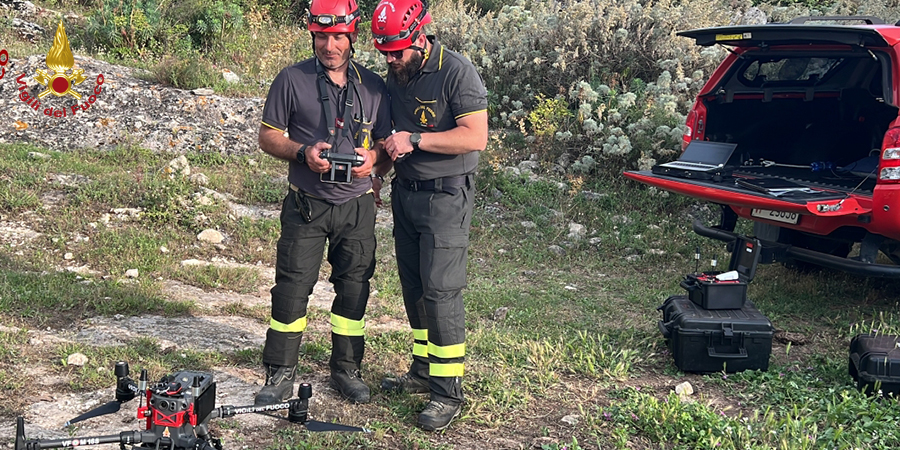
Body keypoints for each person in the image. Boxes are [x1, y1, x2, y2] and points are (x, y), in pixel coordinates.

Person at [255, 0, 391, 406]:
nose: (329, 46)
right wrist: (302, 153)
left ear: (352, 37)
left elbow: (385, 145)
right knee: (292, 289)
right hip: (306, 204)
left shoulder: (373, 86)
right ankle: (280, 371)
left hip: (357, 205)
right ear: (312, 35)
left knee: (354, 288)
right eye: (321, 36)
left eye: (337, 37)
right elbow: (268, 137)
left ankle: (347, 369)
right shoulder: (291, 79)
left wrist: (375, 162)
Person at [371, 0, 488, 432]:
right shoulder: (396, 70)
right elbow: (391, 142)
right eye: (384, 52)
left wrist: (416, 139)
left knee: (441, 292)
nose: (390, 60)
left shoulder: (457, 71)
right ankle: (422, 369)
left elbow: (475, 136)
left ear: (420, 38)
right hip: (407, 192)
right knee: (415, 287)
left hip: (446, 196)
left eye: (397, 51)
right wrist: (380, 173)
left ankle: (447, 392)